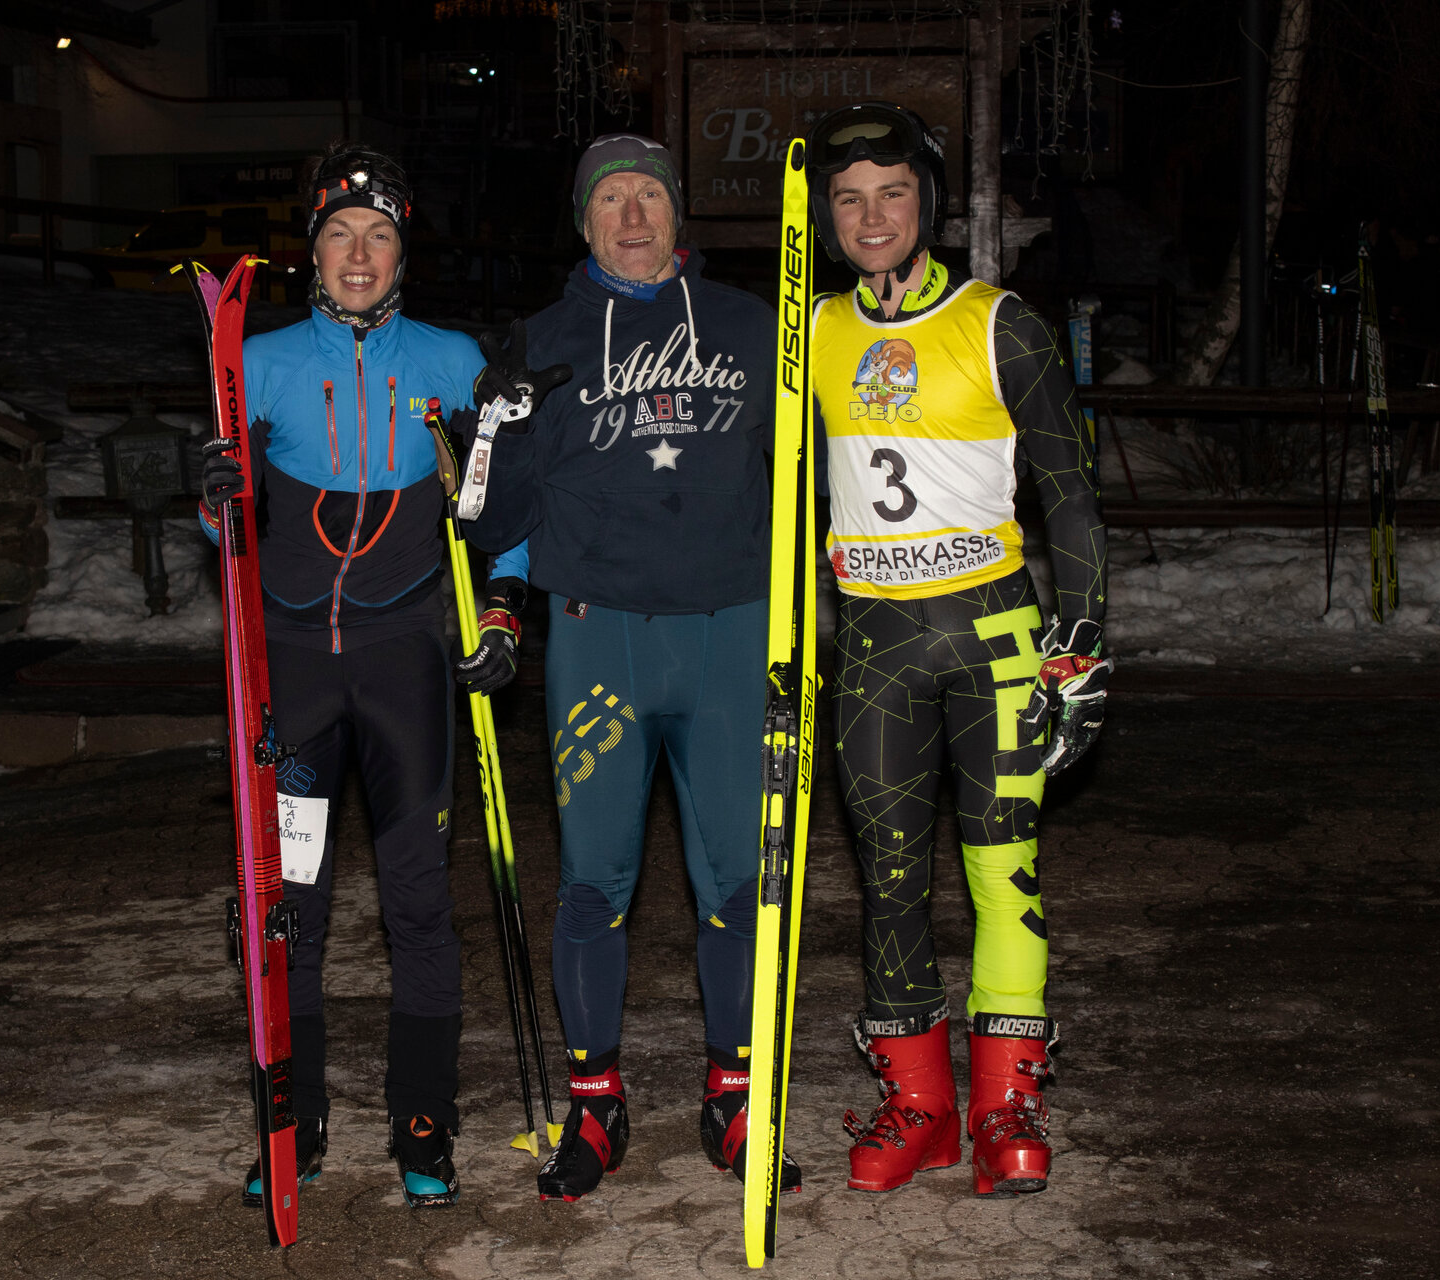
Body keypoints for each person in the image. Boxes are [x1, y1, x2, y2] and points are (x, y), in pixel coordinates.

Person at [458, 133, 800, 1201]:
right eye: (612, 199)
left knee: (738, 879)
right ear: (584, 221)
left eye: (651, 194)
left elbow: (819, 464)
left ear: (678, 212)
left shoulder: (755, 325)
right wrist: (499, 430)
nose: (634, 216)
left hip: (733, 631)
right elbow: (489, 519)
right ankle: (595, 1102)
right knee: (593, 881)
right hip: (600, 635)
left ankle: (734, 1097)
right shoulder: (542, 340)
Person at [196, 141, 530, 1209]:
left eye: (378, 235)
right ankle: (293, 1118)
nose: (357, 253)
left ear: (401, 254)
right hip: (293, 672)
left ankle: (423, 1118)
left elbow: (500, 508)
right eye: (339, 232)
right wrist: (211, 495)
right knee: (289, 908)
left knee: (418, 903)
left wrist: (503, 611)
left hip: (403, 667)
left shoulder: (448, 360)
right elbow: (225, 520)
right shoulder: (258, 361)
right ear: (312, 248)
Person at [801, 102, 1110, 1198]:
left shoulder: (1000, 323)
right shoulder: (811, 329)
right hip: (875, 641)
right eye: (848, 199)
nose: (871, 216)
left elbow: (1071, 497)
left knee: (1001, 867)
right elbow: (780, 499)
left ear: (927, 202)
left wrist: (1082, 647)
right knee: (888, 877)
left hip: (993, 638)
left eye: (892, 193)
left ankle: (1006, 1101)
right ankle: (921, 1103)